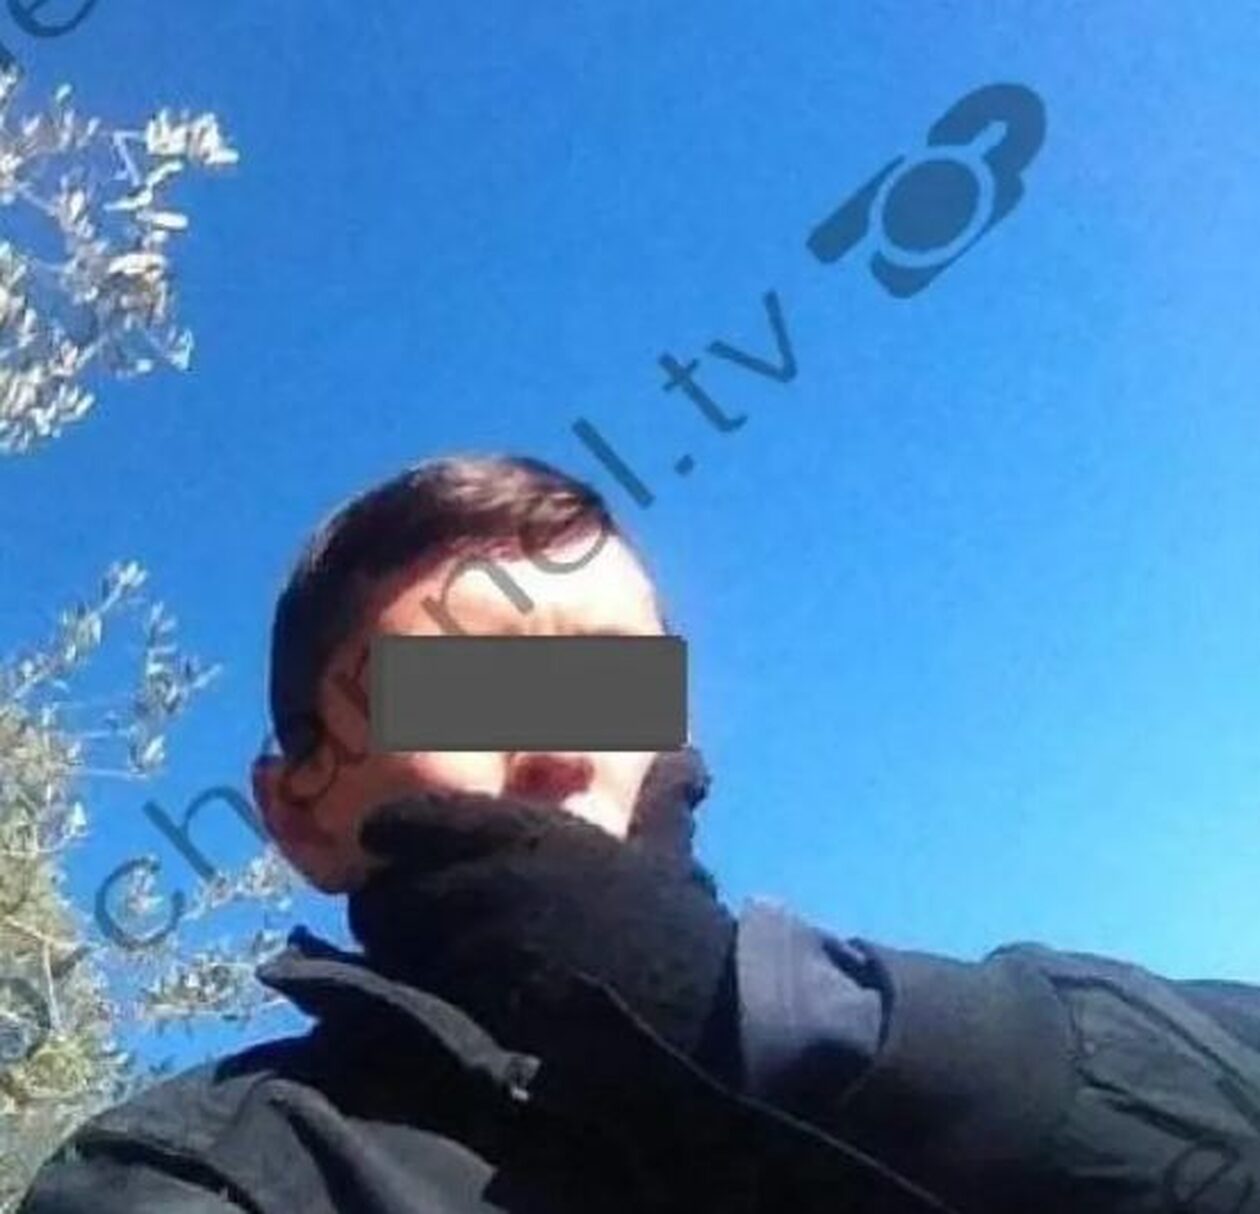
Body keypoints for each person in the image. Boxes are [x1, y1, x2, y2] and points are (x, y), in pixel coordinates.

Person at [19, 455, 1260, 1214]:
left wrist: (747, 1006)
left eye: (614, 684)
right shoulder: (215, 1179)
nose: (564, 742)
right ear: (303, 810)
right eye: (467, 687)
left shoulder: (906, 1058)